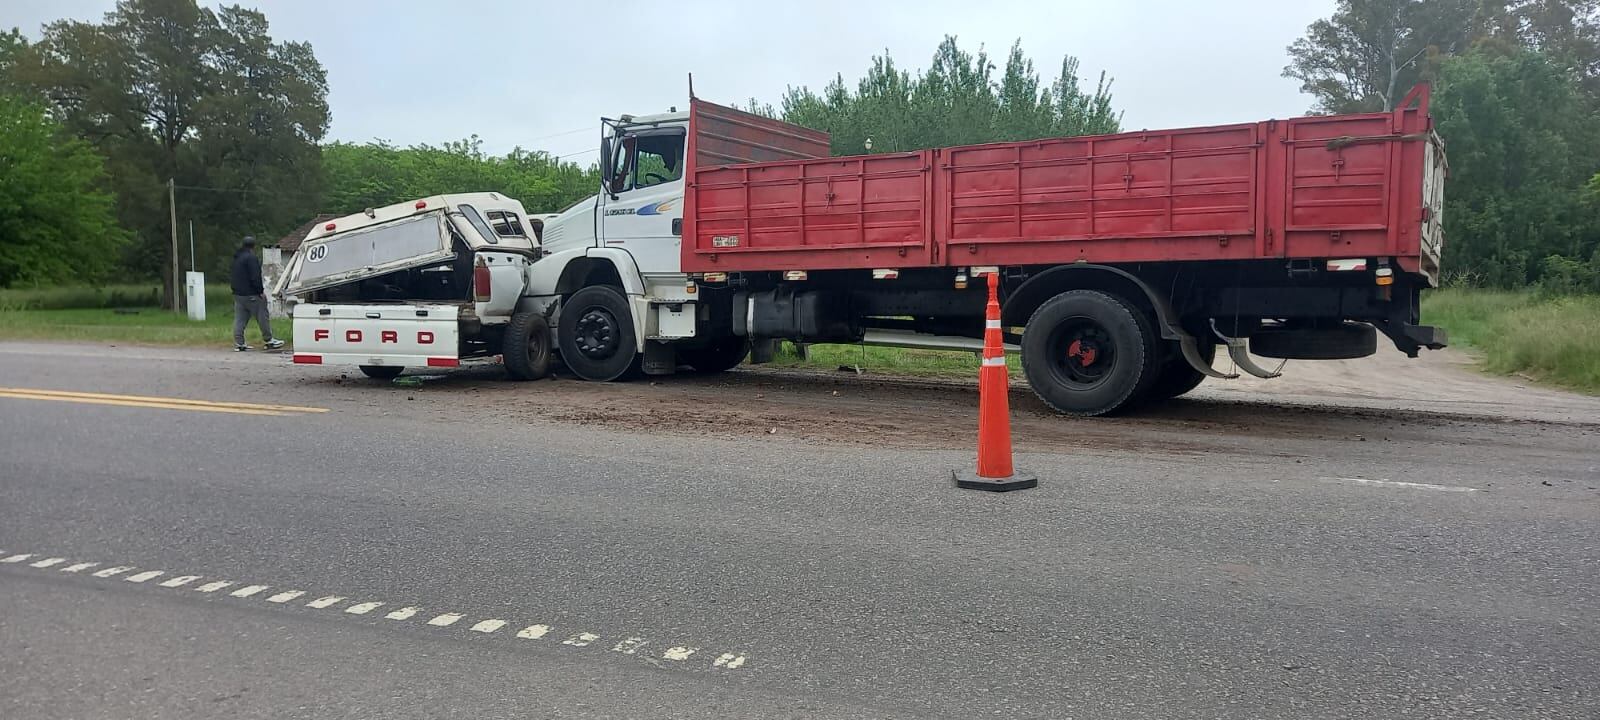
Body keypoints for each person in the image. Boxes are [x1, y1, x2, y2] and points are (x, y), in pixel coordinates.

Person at [230, 236, 283, 351]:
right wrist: (260, 291)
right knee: (262, 316)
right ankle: (269, 340)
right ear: (253, 246)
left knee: (240, 319)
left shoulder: (237, 258)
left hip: (238, 294)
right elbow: (255, 276)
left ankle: (239, 343)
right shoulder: (251, 258)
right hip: (251, 294)